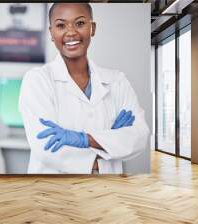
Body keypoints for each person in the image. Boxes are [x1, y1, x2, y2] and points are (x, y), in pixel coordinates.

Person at [18, 3, 149, 174]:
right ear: (51, 33)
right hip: (53, 193)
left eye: (79, 23)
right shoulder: (37, 80)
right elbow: (45, 146)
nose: (71, 32)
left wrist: (85, 139)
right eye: (61, 25)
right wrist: (111, 144)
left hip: (107, 192)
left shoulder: (117, 81)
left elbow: (139, 136)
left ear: (92, 28)